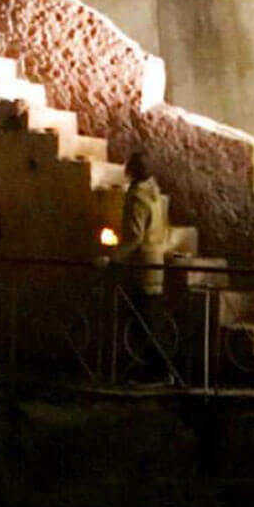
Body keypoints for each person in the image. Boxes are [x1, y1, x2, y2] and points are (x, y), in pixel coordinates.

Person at [109, 152, 171, 379]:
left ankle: (156, 371)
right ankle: (158, 370)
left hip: (141, 266)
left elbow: (134, 236)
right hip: (156, 263)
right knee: (151, 319)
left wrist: (114, 258)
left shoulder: (136, 197)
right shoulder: (154, 193)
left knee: (142, 322)